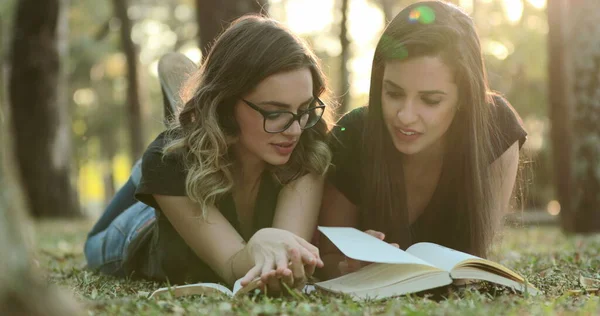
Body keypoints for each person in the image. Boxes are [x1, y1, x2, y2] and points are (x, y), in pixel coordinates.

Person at [84, 15, 333, 294]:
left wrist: (279, 254)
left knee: (176, 154)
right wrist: (263, 240)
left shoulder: (309, 143)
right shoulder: (171, 164)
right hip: (139, 230)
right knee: (166, 158)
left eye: (305, 108)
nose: (295, 129)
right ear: (226, 102)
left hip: (199, 166)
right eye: (275, 112)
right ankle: (161, 160)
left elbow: (285, 264)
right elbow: (231, 265)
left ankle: (184, 134)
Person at [318, 1, 527, 279]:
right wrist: (351, 265)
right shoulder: (352, 137)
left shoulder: (496, 128)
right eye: (392, 93)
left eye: (430, 100)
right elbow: (325, 258)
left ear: (464, 97)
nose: (405, 116)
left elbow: (475, 259)